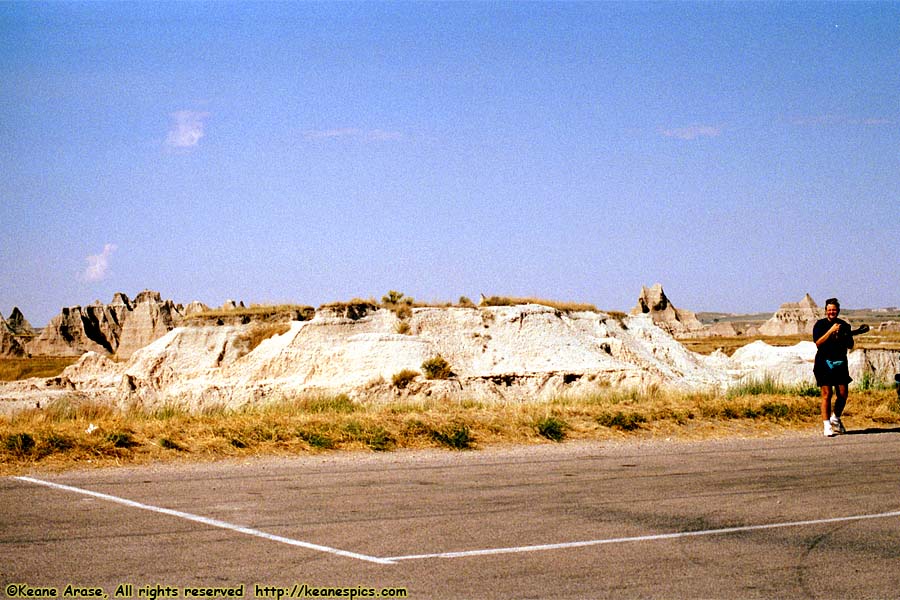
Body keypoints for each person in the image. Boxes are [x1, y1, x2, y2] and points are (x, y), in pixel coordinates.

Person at [813, 298, 853, 437]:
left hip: (840, 363)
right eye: (829, 310)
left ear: (838, 311)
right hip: (824, 363)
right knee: (827, 394)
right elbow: (818, 343)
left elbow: (850, 345)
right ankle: (826, 425)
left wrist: (842, 335)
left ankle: (835, 418)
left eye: (834, 310)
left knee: (843, 394)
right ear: (826, 311)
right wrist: (831, 331)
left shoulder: (844, 325)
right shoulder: (820, 325)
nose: (831, 312)